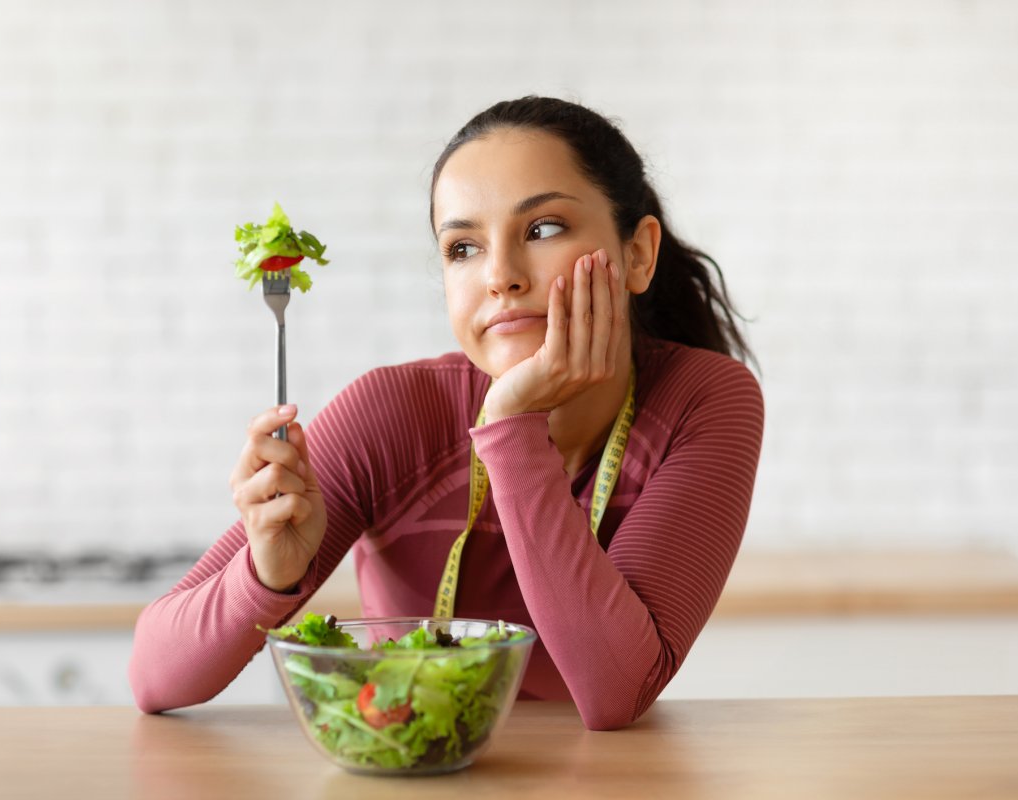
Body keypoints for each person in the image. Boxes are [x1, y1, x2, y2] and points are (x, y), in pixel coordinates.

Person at [129, 96, 764, 731]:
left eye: (543, 230)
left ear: (638, 254)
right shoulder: (395, 414)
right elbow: (153, 676)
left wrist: (512, 426)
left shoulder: (705, 403)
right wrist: (267, 574)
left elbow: (615, 691)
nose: (501, 276)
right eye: (463, 247)